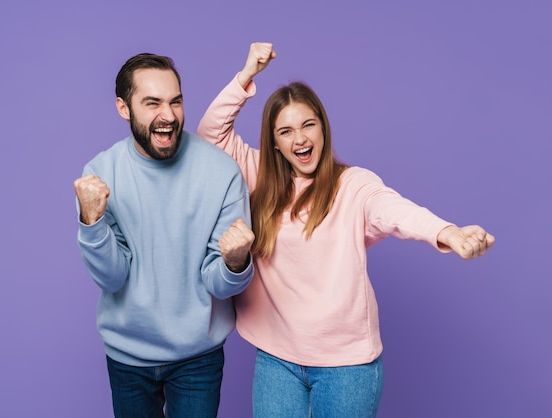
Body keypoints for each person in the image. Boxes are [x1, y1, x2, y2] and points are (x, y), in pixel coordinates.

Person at [197, 42, 495, 418]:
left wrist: (447, 232)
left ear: (323, 127)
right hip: (277, 361)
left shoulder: (352, 186)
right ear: (274, 142)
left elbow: (394, 210)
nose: (300, 139)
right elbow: (211, 135)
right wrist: (245, 77)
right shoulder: (258, 176)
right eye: (286, 131)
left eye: (308, 125)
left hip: (347, 366)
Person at [74, 52, 255, 418]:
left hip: (197, 358)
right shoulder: (100, 173)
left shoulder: (221, 172)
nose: (169, 115)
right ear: (124, 108)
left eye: (176, 101)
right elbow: (112, 277)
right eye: (152, 103)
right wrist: (91, 224)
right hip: (128, 357)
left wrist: (236, 264)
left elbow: (219, 284)